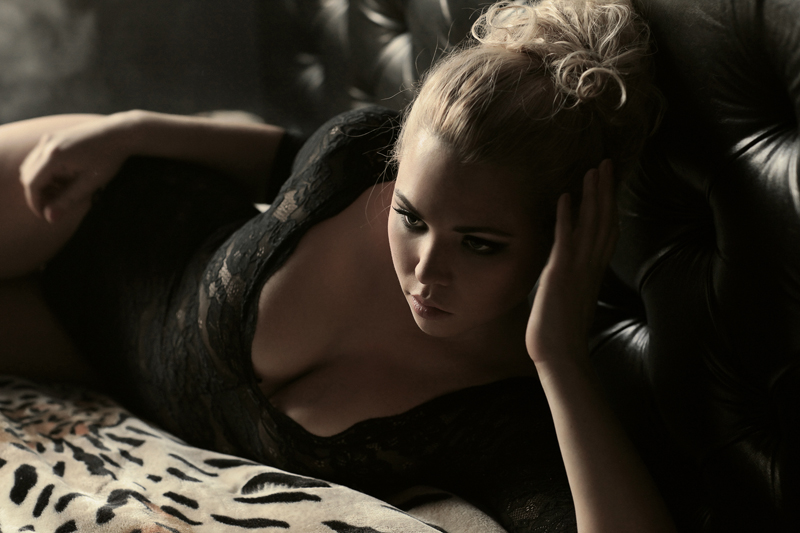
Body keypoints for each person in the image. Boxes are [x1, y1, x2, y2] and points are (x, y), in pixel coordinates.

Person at [0, 0, 672, 531]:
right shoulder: (359, 159)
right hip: (100, 209)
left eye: (479, 243)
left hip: (86, 350)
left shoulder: (509, 414)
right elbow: (279, 154)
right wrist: (129, 130)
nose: (425, 270)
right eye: (411, 216)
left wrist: (560, 356)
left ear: (563, 236)